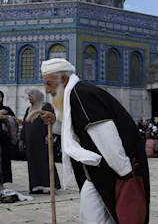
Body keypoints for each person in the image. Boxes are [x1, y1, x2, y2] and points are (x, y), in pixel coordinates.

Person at [39, 58, 150, 224]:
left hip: (112, 170)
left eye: (49, 84)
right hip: (97, 170)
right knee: (91, 214)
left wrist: (125, 172)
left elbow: (106, 135)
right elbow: (75, 130)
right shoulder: (74, 95)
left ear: (62, 79)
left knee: (110, 215)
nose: (47, 90)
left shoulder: (82, 95)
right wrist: (55, 122)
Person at [20, 88, 60, 194]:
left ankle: (49, 185)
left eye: (30, 95)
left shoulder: (46, 107)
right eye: (28, 96)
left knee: (45, 161)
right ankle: (36, 185)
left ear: (36, 96)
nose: (28, 98)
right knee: (32, 162)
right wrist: (22, 140)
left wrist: (50, 135)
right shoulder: (29, 109)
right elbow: (24, 125)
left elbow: (52, 122)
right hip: (30, 142)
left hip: (43, 141)